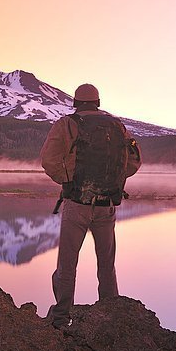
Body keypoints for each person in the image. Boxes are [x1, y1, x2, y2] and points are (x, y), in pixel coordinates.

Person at [40, 83, 142, 329]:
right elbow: (134, 161)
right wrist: (113, 181)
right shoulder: (117, 126)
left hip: (77, 204)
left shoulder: (67, 124)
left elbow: (49, 160)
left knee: (67, 264)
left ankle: (62, 318)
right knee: (106, 264)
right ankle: (111, 317)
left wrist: (69, 180)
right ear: (98, 102)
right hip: (107, 205)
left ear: (76, 102)